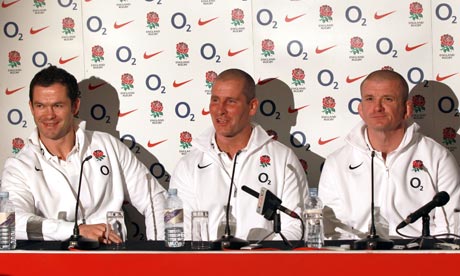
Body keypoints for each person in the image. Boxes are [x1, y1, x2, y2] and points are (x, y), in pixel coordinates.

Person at [1, 66, 165, 243]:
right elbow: (11, 223)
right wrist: (76, 231)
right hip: (52, 266)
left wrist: (160, 252)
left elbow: (156, 199)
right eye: (40, 106)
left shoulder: (108, 146)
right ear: (31, 108)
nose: (49, 115)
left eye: (57, 105)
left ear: (75, 106)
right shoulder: (18, 166)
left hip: (111, 262)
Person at [319, 69, 460, 239]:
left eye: (388, 99)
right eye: (370, 99)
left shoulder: (437, 158)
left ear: (407, 109)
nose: (377, 107)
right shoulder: (337, 162)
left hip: (418, 259)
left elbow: (451, 229)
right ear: (361, 109)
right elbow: (330, 230)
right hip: (356, 259)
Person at [170, 68, 307, 241]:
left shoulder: (283, 159)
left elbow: (294, 227)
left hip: (264, 265)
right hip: (207, 266)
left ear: (252, 107)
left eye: (231, 102)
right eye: (215, 100)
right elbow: (182, 230)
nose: (220, 110)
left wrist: (257, 259)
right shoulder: (188, 165)